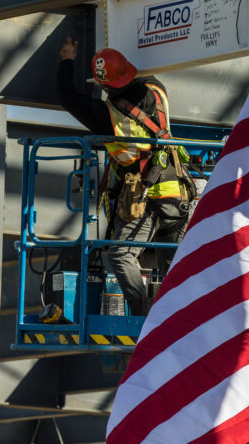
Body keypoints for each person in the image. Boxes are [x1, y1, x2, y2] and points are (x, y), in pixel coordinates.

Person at [56, 37, 191, 316]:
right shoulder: (157, 89)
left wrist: (67, 60)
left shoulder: (108, 116)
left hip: (148, 195)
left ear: (105, 86)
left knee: (120, 254)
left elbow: (66, 96)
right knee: (173, 267)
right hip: (179, 191)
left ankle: (144, 317)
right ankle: (174, 317)